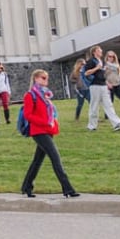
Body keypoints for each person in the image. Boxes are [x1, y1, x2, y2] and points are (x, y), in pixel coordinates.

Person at [20, 69, 79, 198]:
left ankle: (26, 186)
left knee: (37, 161)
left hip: (47, 130)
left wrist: (50, 122)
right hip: (38, 131)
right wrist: (44, 121)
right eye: (43, 78)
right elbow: (28, 115)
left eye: (46, 78)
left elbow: (51, 113)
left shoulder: (45, 95)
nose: (45, 80)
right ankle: (67, 188)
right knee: (55, 158)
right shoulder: (30, 95)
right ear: (36, 78)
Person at [84, 45, 120, 132]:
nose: (101, 51)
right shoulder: (91, 61)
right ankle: (91, 126)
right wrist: (97, 67)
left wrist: (107, 83)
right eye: (99, 50)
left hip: (103, 86)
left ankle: (117, 123)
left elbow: (103, 74)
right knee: (94, 106)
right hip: (95, 86)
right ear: (94, 52)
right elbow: (86, 73)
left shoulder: (102, 62)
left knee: (108, 105)